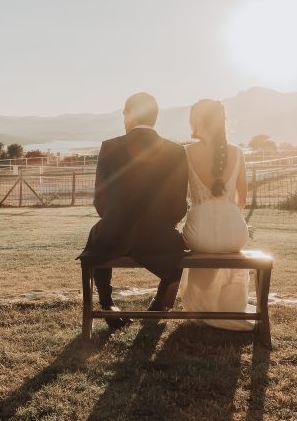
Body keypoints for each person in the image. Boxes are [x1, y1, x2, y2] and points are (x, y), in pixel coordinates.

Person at [79, 92, 189, 329]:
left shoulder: (109, 147)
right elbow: (179, 203)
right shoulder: (176, 151)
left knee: (95, 238)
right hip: (158, 234)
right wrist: (160, 223)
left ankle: (107, 303)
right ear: (155, 117)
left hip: (112, 232)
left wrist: (116, 219)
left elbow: (100, 199)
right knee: (179, 249)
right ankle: (160, 303)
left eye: (124, 114)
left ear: (130, 114)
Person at [179, 98, 255, 330]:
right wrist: (228, 218)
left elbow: (180, 196)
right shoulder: (237, 152)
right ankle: (228, 302)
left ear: (198, 120)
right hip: (234, 232)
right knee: (225, 245)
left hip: (198, 232)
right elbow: (242, 198)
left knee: (205, 245)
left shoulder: (186, 152)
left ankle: (204, 304)